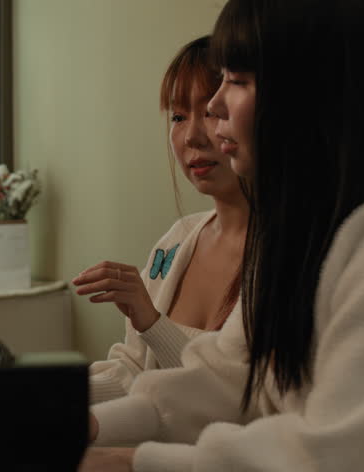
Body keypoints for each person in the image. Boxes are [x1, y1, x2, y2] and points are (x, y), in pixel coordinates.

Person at [80, 0, 364, 470]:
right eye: (180, 114)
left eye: (235, 81)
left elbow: (341, 451)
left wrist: (133, 462)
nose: (215, 109)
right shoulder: (291, 235)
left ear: (303, 94)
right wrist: (92, 426)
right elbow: (229, 378)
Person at [73, 36, 249, 404]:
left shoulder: (291, 257)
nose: (192, 136)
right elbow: (133, 372)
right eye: (179, 116)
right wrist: (41, 394)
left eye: (213, 112)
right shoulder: (177, 241)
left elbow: (234, 400)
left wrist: (153, 324)